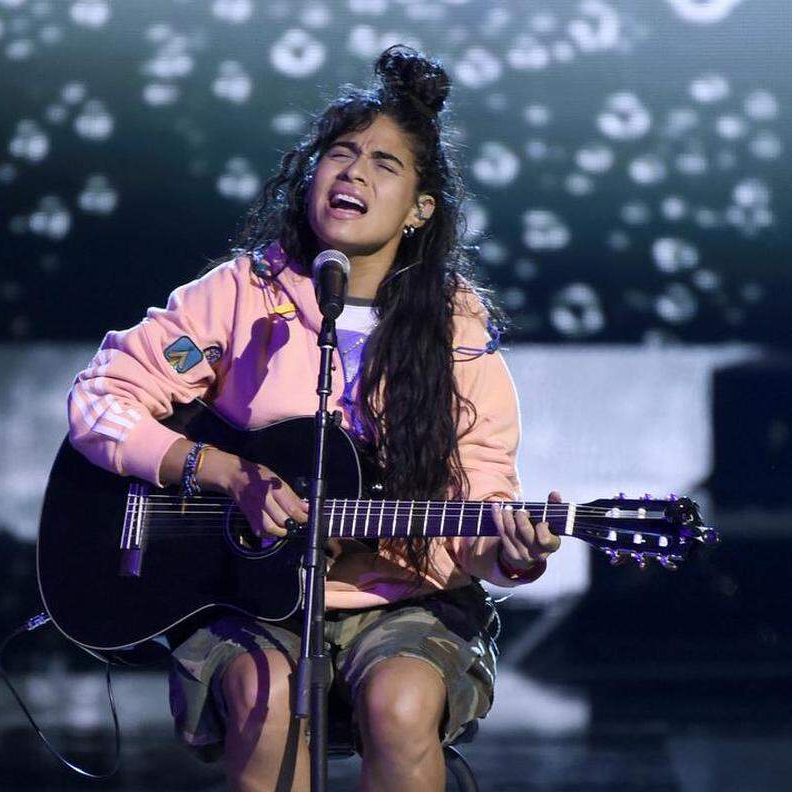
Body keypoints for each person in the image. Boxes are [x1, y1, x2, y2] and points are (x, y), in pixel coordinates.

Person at [67, 45, 562, 792]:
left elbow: (480, 513)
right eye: (340, 153)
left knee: (400, 703)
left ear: (421, 208)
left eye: (384, 164)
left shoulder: (457, 333)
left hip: (402, 601)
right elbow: (99, 399)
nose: (355, 172)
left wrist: (513, 554)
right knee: (265, 704)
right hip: (245, 595)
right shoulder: (241, 294)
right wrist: (226, 472)